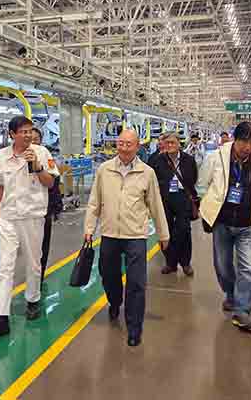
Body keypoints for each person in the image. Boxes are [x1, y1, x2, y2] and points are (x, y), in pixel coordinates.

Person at [84, 129, 170, 347]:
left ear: (137, 146)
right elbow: (94, 202)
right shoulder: (104, 170)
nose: (123, 147)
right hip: (110, 233)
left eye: (128, 144)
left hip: (136, 235)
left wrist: (163, 234)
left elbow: (156, 204)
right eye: (120, 143)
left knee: (136, 282)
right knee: (108, 275)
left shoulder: (147, 172)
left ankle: (134, 328)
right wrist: (89, 228)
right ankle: (114, 301)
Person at [0, 116, 60, 340]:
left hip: (32, 217)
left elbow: (50, 183)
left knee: (34, 262)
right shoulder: (2, 156)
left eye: (29, 131)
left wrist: (37, 166)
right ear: (12, 134)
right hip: (9, 217)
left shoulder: (42, 153)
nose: (27, 135)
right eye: (23, 131)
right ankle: (1, 317)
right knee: (5, 267)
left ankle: (33, 300)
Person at [196, 122, 251, 331]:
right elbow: (202, 185)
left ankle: (242, 309)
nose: (248, 147)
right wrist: (206, 210)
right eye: (244, 141)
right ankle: (231, 294)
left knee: (248, 267)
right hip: (222, 222)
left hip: (248, 223)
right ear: (234, 139)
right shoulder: (216, 157)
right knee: (222, 265)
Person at [149, 132, 199, 276]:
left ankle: (185, 263)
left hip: (183, 197)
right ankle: (170, 264)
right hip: (165, 199)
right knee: (166, 230)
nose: (170, 145)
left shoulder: (188, 160)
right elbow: (152, 179)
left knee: (184, 230)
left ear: (179, 144)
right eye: (167, 143)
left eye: (173, 142)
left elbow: (193, 177)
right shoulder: (158, 160)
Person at [31, 127, 63, 289]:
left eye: (36, 139)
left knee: (42, 247)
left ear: (41, 141)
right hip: (23, 213)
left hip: (44, 209)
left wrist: (56, 206)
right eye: (29, 138)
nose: (32, 142)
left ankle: (39, 278)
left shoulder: (46, 156)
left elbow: (54, 181)